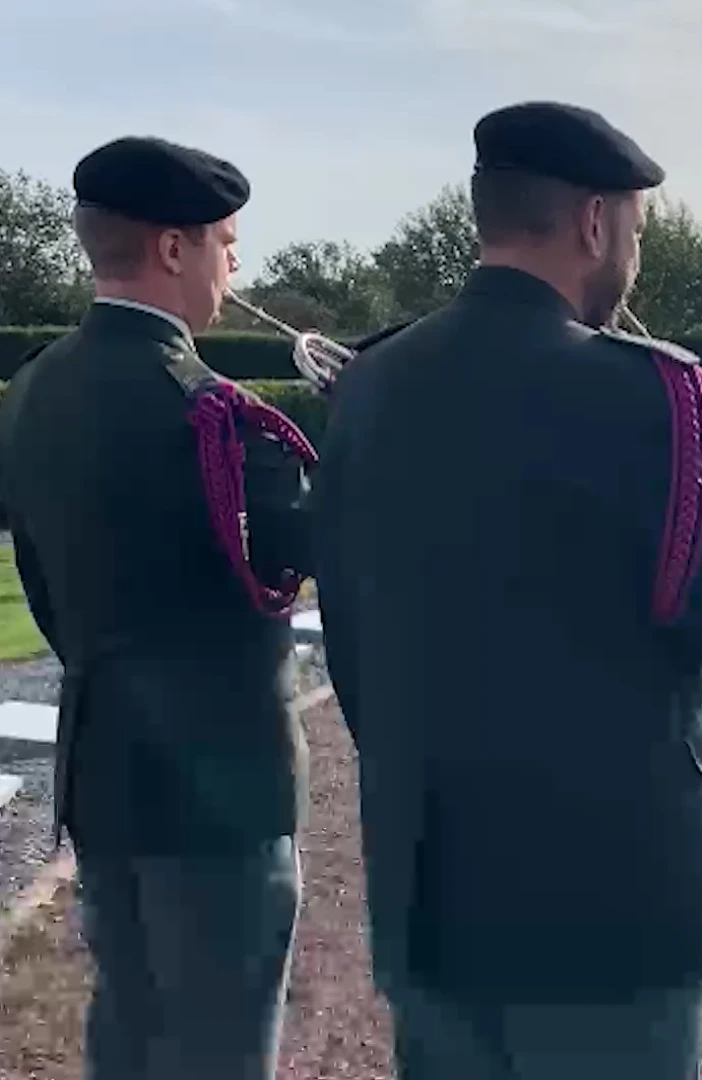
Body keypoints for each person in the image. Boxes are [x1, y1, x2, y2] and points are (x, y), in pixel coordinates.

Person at [307, 102, 702, 1078]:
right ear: (596, 222)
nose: (634, 261)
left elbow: (351, 649)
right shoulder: (643, 393)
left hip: (430, 881)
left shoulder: (369, 387)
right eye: (638, 235)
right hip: (611, 909)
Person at [0, 136, 308, 1080]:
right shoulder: (212, 414)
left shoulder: (33, 390)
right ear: (173, 249)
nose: (235, 263)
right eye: (226, 240)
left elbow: (49, 595)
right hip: (217, 797)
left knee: (129, 1042)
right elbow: (319, 554)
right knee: (218, 1053)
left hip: (104, 774)